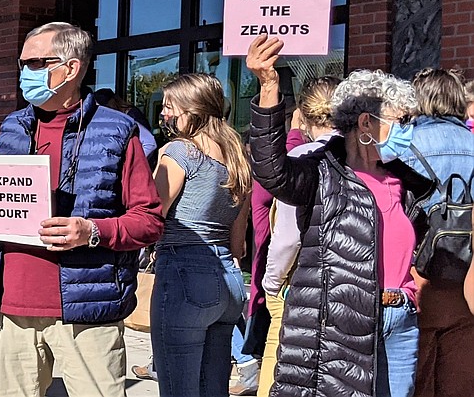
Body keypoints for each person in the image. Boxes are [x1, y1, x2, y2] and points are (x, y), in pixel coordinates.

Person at [0, 22, 163, 397]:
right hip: (11, 309)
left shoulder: (117, 130)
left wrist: (92, 232)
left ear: (71, 68)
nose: (25, 73)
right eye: (21, 64)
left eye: (35, 63)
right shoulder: (12, 127)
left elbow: (149, 222)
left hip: (86, 311)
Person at [246, 35, 431, 397]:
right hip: (341, 325)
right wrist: (269, 87)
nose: (410, 130)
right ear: (366, 123)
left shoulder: (404, 180)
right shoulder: (321, 172)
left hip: (401, 321)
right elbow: (271, 171)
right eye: (402, 120)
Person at [148, 73, 251, 397]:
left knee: (178, 388)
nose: (163, 114)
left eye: (169, 106)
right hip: (229, 281)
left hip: (184, 274)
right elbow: (238, 243)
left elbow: (151, 217)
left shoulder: (179, 152)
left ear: (191, 110)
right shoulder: (238, 160)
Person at [256, 75, 340, 397]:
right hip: (344, 281)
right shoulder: (358, 157)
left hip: (298, 281)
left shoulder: (303, 158)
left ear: (302, 115)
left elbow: (288, 236)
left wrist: (272, 281)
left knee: (278, 366)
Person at [394, 68, 474, 397]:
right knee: (459, 380)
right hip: (467, 280)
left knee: (418, 379)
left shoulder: (402, 146)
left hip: (418, 275)